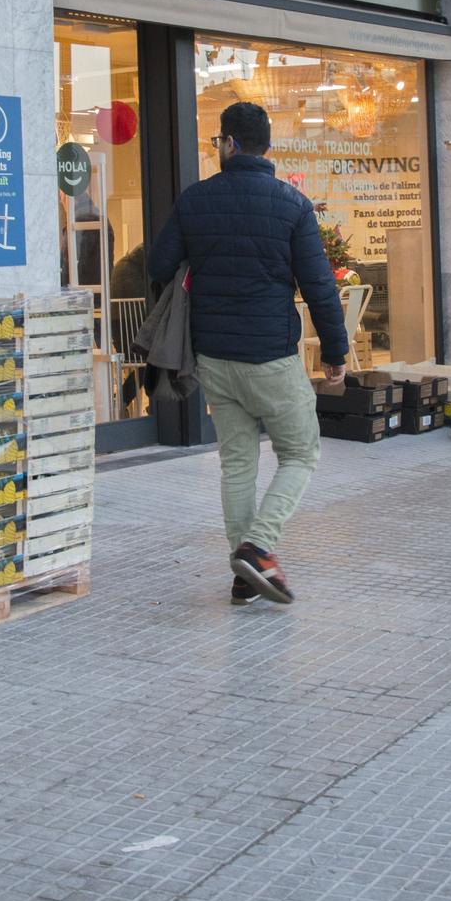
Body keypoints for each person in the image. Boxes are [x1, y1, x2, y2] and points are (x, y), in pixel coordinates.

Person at [148, 101, 347, 606]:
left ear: (229, 143)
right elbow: (320, 286)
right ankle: (258, 548)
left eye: (219, 141)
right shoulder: (292, 204)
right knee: (302, 451)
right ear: (268, 147)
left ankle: (242, 573)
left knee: (237, 462)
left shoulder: (195, 200)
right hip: (271, 355)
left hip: (213, 354)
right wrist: (335, 352)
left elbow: (160, 263)